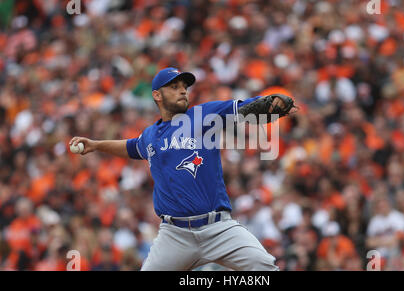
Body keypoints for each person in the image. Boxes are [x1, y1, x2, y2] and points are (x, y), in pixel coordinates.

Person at [69, 67, 294, 271]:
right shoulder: (150, 135)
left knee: (265, 269)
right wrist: (96, 145)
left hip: (218, 228)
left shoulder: (203, 115)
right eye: (174, 87)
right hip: (174, 235)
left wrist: (270, 105)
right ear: (157, 95)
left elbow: (243, 109)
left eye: (184, 87)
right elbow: (131, 147)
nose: (183, 91)